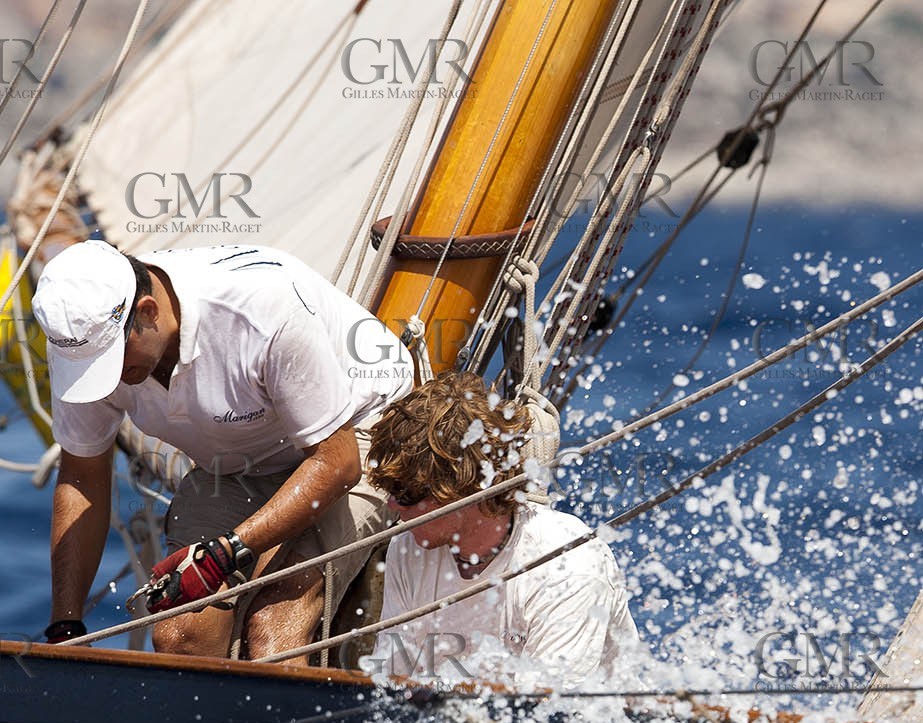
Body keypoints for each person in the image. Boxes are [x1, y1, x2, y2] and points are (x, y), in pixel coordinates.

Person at [31, 238, 413, 659]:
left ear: (147, 312)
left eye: (110, 361)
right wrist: (64, 625)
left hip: (357, 432)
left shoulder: (259, 308)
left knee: (273, 625)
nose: (106, 378)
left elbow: (337, 463)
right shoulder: (80, 341)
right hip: (238, 461)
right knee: (180, 634)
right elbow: (83, 476)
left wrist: (222, 556)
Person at [366, 371, 640, 685]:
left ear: (466, 490)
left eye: (407, 493)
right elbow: (393, 685)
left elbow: (548, 718)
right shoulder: (408, 545)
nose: (392, 505)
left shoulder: (568, 564)